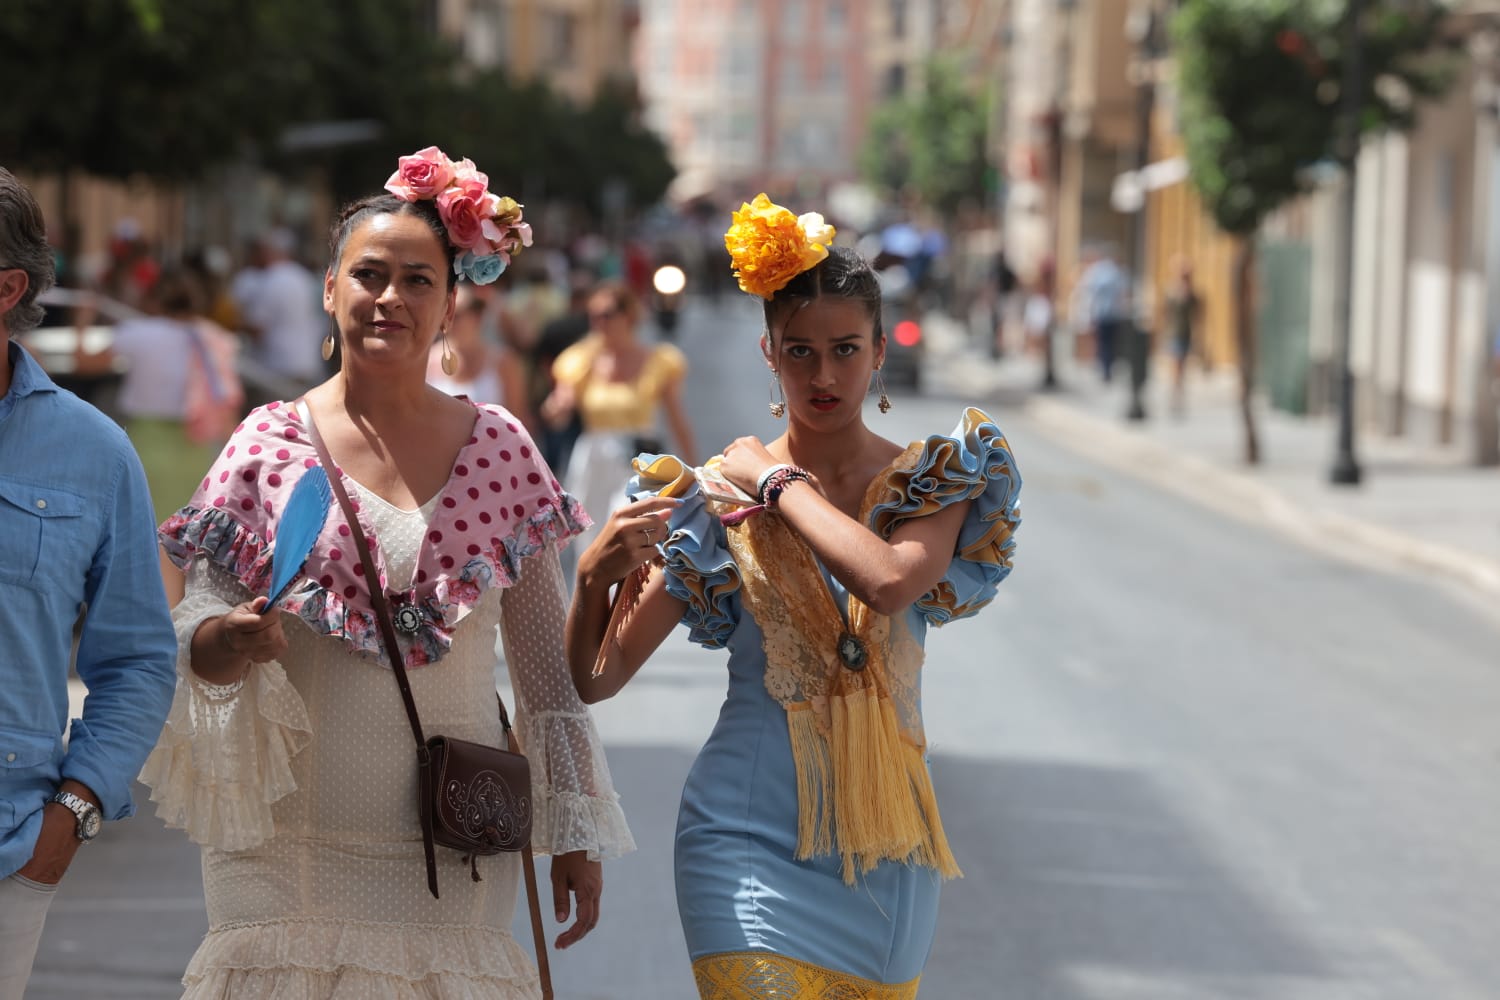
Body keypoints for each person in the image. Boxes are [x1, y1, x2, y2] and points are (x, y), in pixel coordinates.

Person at [141, 147, 634, 999]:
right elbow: (197, 637)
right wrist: (232, 636)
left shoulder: (502, 448)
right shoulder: (268, 444)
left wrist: (576, 831)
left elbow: (546, 673)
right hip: (286, 855)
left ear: (450, 302)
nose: (390, 299)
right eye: (369, 274)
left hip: (455, 844)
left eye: (417, 280)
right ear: (330, 290)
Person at [564, 194, 1023, 997]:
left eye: (846, 349)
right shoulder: (710, 502)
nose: (824, 374)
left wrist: (777, 484)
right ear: (769, 353)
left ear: (880, 352)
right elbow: (596, 679)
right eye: (800, 351)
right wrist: (588, 581)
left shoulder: (934, 480)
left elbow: (886, 583)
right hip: (739, 837)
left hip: (888, 854)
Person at [0, 168, 177, 999]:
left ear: (7, 287)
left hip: (8, 846)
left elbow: (139, 657)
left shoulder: (95, 454)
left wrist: (72, 813)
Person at [541, 281, 696, 566]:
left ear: (629, 316)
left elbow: (677, 419)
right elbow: (560, 409)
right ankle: (595, 605)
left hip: (641, 457)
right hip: (595, 457)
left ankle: (627, 607)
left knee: (634, 535)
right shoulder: (581, 361)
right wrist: (555, 408)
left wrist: (694, 471)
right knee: (593, 542)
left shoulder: (658, 361)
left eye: (608, 314)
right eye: (594, 315)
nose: (600, 322)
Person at [74, 267, 245, 523]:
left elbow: (83, 363)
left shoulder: (139, 333)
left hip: (146, 446)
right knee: (185, 541)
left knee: (143, 534)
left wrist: (82, 321)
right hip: (197, 449)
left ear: (153, 299)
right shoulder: (214, 338)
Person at [239, 227, 325, 392]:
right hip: (306, 361)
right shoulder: (303, 276)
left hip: (277, 367)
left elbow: (258, 327)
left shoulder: (270, 280)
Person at [426, 283, 506, 405]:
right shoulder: (426, 361)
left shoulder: (503, 363)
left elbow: (518, 417)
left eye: (457, 315)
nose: (448, 321)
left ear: (477, 317)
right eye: (445, 313)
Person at [1074, 243, 1130, 382]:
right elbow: (1123, 292)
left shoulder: (1096, 271)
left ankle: (1104, 367)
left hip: (1101, 312)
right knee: (1110, 342)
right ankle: (1107, 367)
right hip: (1113, 313)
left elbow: (1086, 290)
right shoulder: (1116, 271)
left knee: (1102, 342)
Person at [1164, 254, 1202, 414]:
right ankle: (1175, 394)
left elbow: (1198, 316)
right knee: (1176, 364)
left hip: (1186, 333)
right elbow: (1165, 312)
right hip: (1174, 333)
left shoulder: (1192, 294)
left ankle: (1178, 393)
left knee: (1183, 365)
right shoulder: (1171, 291)